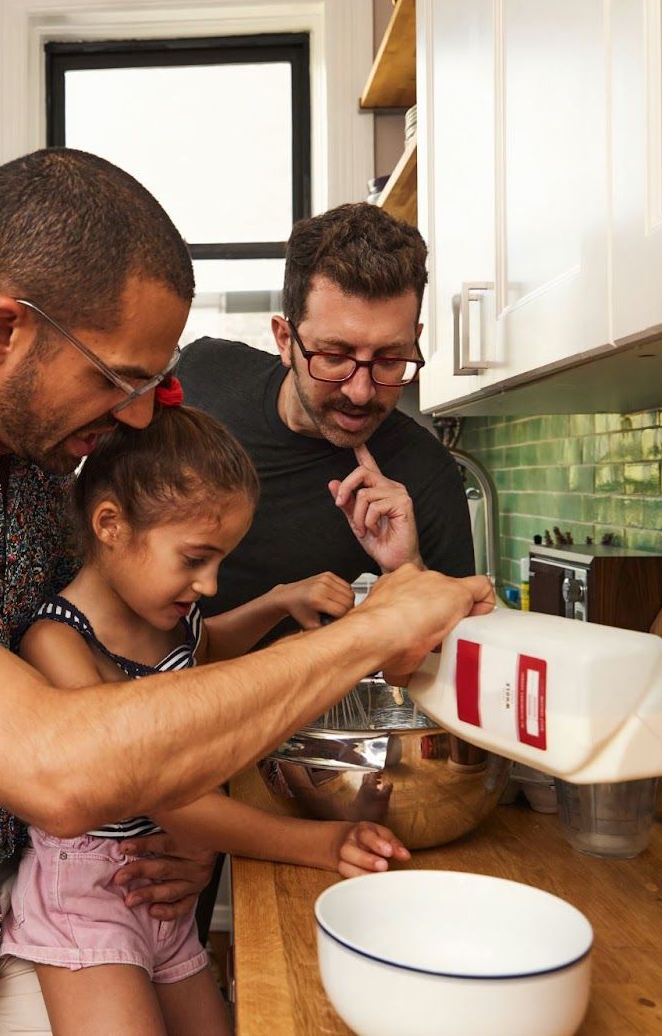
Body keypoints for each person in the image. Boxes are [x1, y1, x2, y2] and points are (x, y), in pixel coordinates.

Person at [0, 149, 493, 1035]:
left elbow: (124, 686)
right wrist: (369, 630)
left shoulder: (46, 467)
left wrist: (181, 824)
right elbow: (56, 762)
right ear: (3, 330)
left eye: (153, 386)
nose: (137, 417)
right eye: (120, 380)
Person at [2, 390, 410, 1036]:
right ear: (110, 525)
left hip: (160, 893)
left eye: (221, 560)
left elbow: (206, 645)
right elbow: (161, 791)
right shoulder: (59, 642)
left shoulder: (173, 613)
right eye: (196, 558)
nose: (211, 584)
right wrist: (320, 844)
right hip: (83, 900)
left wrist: (277, 601)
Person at [175, 202, 478, 939]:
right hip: (144, 723)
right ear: (284, 337)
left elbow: (448, 698)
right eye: (335, 355)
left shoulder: (426, 480)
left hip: (269, 767)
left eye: (391, 360)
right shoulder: (201, 379)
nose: (362, 389)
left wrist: (403, 571)